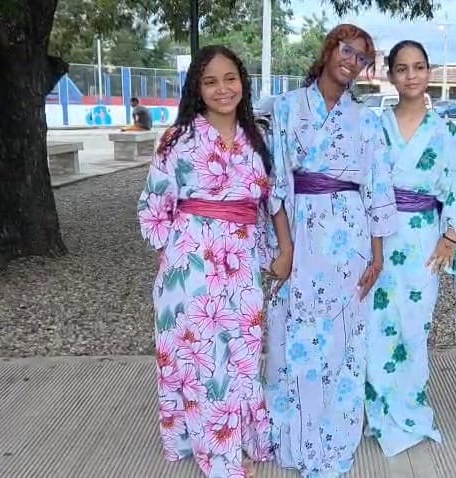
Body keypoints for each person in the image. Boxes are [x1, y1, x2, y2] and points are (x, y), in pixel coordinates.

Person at [137, 46, 294, 478]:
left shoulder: (259, 139)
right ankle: (221, 458)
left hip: (242, 263)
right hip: (190, 266)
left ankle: (240, 437)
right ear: (197, 88)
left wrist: (283, 250)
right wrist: (173, 258)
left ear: (243, 82)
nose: (222, 89)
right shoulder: (177, 140)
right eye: (210, 81)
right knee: (202, 359)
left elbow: (273, 201)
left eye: (230, 78)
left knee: (242, 354)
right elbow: (154, 206)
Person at [264, 24, 398, 477]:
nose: (351, 61)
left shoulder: (367, 120)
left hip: (349, 237)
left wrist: (377, 255)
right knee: (294, 336)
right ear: (328, 50)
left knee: (343, 340)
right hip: (301, 230)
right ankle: (293, 436)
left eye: (362, 57)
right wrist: (284, 247)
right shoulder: (286, 108)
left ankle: (334, 438)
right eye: (346, 49)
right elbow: (277, 181)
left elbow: (377, 187)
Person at [364, 40, 456, 457]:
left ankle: (410, 407)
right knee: (375, 324)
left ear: (429, 72)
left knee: (415, 325)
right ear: (390, 74)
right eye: (402, 68)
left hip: (422, 239)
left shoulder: (445, 132)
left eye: (418, 67)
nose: (411, 75)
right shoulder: (373, 126)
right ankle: (377, 407)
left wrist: (450, 236)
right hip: (377, 237)